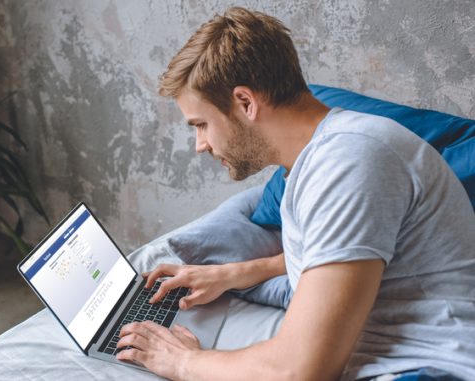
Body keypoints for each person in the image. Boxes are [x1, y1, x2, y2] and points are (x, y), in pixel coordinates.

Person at [115, 7, 475, 381]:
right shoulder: (321, 159)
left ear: (245, 102)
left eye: (201, 124)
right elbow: (341, 255)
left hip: (432, 370)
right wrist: (232, 273)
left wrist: (182, 362)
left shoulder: (350, 161)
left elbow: (299, 370)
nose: (200, 145)